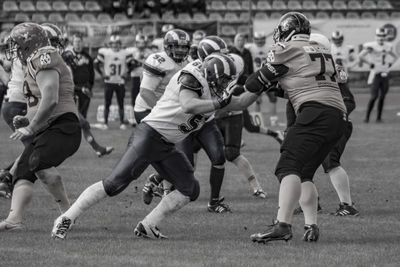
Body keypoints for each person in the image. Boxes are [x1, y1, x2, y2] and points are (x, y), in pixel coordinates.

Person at [51, 53, 267, 240]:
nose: (223, 86)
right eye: (222, 81)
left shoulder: (213, 86)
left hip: (166, 144)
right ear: (210, 75)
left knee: (190, 188)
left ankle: (148, 225)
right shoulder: (192, 75)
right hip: (149, 135)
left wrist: (264, 84)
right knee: (114, 184)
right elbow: (188, 104)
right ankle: (65, 218)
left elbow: (238, 103)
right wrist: (220, 103)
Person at [247, 12, 347, 243]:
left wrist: (263, 78)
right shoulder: (321, 50)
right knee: (304, 174)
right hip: (337, 116)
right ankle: (311, 226)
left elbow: (253, 84)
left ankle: (283, 225)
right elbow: (303, 82)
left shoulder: (286, 49)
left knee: (286, 167)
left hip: (315, 111)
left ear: (286, 31)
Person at [142, 36, 239, 212]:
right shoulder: (192, 72)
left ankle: (214, 202)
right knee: (186, 166)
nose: (225, 58)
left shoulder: (216, 71)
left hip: (205, 121)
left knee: (218, 156)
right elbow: (188, 104)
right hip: (185, 122)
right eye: (219, 54)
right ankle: (155, 180)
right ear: (207, 56)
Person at [0, 22, 81, 230]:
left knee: (37, 162)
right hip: (48, 126)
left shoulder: (44, 56)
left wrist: (31, 126)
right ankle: (14, 220)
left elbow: (51, 98)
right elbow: (39, 103)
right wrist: (25, 119)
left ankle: (68, 215)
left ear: (29, 43)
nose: (15, 50)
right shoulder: (32, 64)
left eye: (17, 44)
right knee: (25, 170)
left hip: (63, 126)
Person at [292, 33, 359, 216]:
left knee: (330, 161)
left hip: (334, 125)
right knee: (302, 166)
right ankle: (312, 204)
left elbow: (349, 101)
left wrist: (330, 115)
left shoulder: (331, 71)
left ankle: (347, 205)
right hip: (313, 126)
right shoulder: (304, 70)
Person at [215, 53, 267, 198]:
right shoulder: (214, 70)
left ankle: (256, 187)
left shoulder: (243, 79)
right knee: (191, 148)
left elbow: (244, 92)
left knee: (232, 153)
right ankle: (167, 184)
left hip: (233, 115)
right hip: (213, 116)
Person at [359, 27, 398, 123]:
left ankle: (378, 118)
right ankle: (367, 117)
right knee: (374, 96)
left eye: (383, 36)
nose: (381, 38)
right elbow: (360, 56)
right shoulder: (371, 45)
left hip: (385, 74)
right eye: (379, 36)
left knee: (382, 96)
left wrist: (390, 63)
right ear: (376, 36)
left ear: (385, 37)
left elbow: (395, 56)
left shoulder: (388, 46)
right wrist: (369, 63)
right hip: (375, 74)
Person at [95, 35, 133, 130]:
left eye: (117, 43)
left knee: (121, 103)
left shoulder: (124, 53)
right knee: (107, 103)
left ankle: (122, 123)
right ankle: (105, 123)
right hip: (109, 82)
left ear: (120, 44)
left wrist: (127, 73)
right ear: (110, 44)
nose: (115, 45)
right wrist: (102, 73)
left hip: (120, 82)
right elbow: (96, 64)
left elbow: (132, 64)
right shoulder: (106, 52)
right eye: (113, 43)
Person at [245, 32, 279, 126]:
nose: (259, 41)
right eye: (257, 39)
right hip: (257, 76)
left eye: (261, 39)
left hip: (269, 76)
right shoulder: (249, 48)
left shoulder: (270, 47)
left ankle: (273, 120)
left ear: (264, 39)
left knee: (273, 97)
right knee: (257, 99)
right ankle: (257, 121)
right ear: (254, 40)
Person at [62, 34, 94, 119]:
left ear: (83, 43)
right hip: (72, 87)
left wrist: (90, 86)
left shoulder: (88, 57)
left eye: (79, 41)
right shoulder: (67, 56)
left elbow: (91, 73)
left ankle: (82, 129)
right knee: (70, 111)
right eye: (76, 41)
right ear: (73, 43)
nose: (78, 43)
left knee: (83, 113)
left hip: (85, 87)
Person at [126, 33, 152, 122]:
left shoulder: (150, 52)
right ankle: (133, 117)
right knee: (134, 96)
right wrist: (132, 65)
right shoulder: (131, 51)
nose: (141, 45)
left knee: (146, 97)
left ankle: (147, 116)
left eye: (143, 43)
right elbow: (128, 65)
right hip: (135, 77)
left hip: (146, 77)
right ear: (136, 43)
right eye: (139, 43)